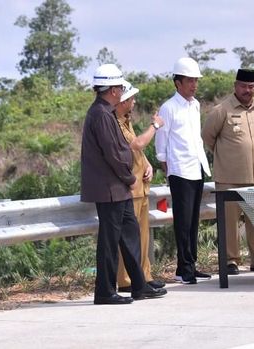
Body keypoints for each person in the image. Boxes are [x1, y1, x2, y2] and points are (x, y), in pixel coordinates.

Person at [81, 64, 166, 304]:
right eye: (119, 86)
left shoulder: (105, 112)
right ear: (113, 90)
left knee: (130, 235)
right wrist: (130, 178)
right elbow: (115, 154)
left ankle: (139, 285)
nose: (121, 90)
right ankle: (105, 291)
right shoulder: (101, 114)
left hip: (117, 188)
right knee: (109, 242)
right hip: (110, 189)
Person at [202, 68, 254, 275]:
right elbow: (208, 138)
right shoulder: (222, 110)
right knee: (229, 224)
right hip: (228, 178)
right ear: (235, 86)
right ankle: (231, 260)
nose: (248, 90)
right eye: (243, 86)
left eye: (251, 86)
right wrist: (229, 156)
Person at [155, 57, 212, 285]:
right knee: (183, 221)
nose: (194, 85)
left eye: (196, 80)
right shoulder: (168, 108)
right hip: (179, 170)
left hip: (196, 167)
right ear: (177, 82)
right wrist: (166, 167)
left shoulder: (195, 105)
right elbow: (162, 140)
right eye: (189, 80)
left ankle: (190, 265)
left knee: (193, 221)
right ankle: (184, 268)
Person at [114, 80, 167, 292]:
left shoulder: (126, 121)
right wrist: (154, 126)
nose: (134, 102)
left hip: (141, 187)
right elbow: (137, 144)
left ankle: (144, 275)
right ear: (123, 100)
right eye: (131, 98)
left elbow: (137, 151)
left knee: (142, 236)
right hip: (130, 188)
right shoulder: (114, 122)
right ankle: (127, 280)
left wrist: (147, 165)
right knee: (130, 239)